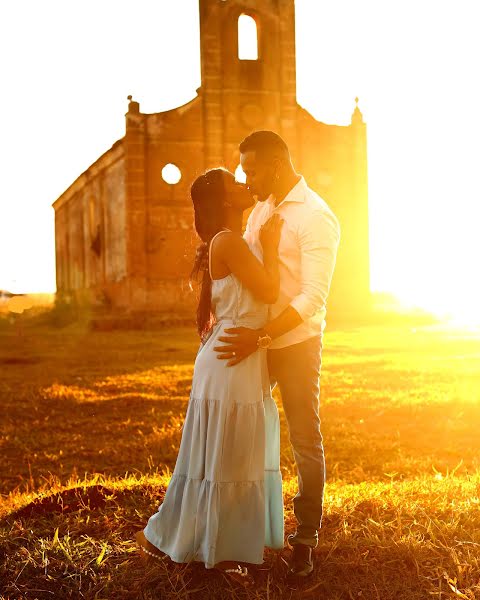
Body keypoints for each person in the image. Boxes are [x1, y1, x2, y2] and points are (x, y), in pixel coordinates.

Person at [135, 167, 285, 586]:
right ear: (223, 201)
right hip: (231, 358)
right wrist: (271, 249)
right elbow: (270, 292)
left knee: (229, 452)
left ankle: (214, 540)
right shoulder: (231, 242)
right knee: (229, 453)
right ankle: (220, 551)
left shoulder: (231, 241)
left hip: (236, 354)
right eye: (233, 184)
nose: (243, 184)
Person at [214, 131, 340, 580]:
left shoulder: (317, 217)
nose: (245, 179)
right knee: (239, 434)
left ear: (276, 164)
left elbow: (313, 298)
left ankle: (305, 539)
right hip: (254, 341)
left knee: (305, 440)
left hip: (297, 344)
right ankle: (233, 534)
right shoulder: (262, 209)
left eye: (250, 169)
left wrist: (263, 336)